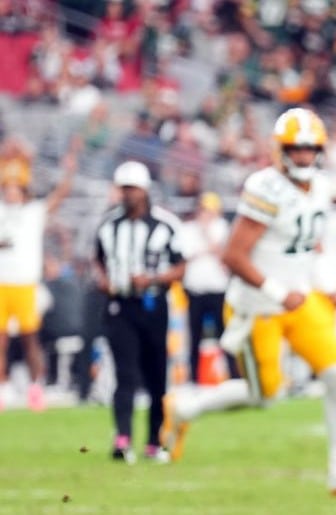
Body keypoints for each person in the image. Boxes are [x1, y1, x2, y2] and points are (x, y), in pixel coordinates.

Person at [160, 108, 336, 498]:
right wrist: (280, 292)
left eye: (310, 150)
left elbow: (311, 244)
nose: (303, 157)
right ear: (280, 151)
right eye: (295, 150)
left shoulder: (324, 187)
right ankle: (183, 409)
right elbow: (233, 255)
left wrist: (328, 279)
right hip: (259, 305)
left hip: (301, 300)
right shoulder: (265, 187)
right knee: (265, 395)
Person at [94, 161, 185, 463]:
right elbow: (98, 260)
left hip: (153, 305)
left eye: (131, 189)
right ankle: (122, 439)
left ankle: (153, 441)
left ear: (144, 190)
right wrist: (103, 280)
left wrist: (154, 279)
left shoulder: (165, 224)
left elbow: (181, 266)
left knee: (157, 375)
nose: (127, 194)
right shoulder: (108, 225)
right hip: (120, 306)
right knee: (125, 374)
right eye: (123, 189)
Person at [0, 148, 75, 411]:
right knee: (0, 340)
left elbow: (60, 195)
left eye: (14, 187)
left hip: (24, 283)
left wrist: (70, 168)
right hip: (1, 283)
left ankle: (35, 386)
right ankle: (3, 387)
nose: (10, 192)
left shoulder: (33, 211)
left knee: (30, 337)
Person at [178, 192, 236, 383]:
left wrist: (207, 237)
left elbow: (224, 255)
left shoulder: (223, 228)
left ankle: (234, 376)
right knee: (194, 337)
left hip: (218, 290)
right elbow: (186, 255)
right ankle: (194, 378)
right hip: (195, 291)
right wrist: (208, 247)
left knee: (226, 336)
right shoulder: (187, 230)